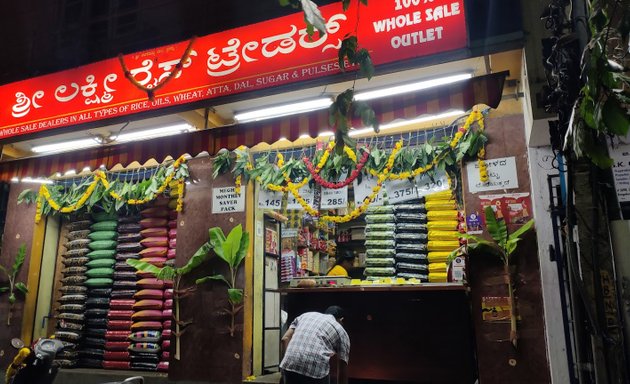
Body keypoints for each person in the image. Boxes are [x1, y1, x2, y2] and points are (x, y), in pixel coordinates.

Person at [280, 306, 350, 384]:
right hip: (315, 372)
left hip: (289, 365)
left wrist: (286, 364)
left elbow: (285, 339)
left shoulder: (305, 316)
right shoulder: (341, 332)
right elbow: (342, 368)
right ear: (341, 319)